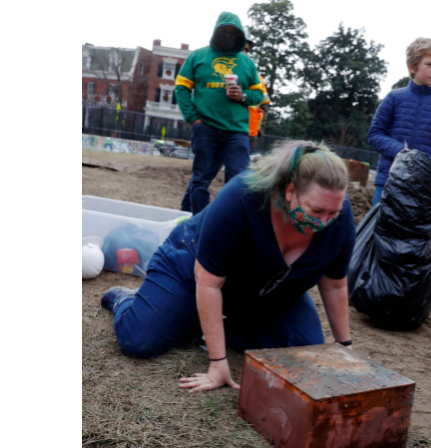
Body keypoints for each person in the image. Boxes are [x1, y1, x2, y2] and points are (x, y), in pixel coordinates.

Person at [100, 141, 356, 394]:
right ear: (290, 191)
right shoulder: (242, 196)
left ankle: (198, 326)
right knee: (140, 340)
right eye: (316, 210)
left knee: (302, 347)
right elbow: (209, 282)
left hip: (264, 290)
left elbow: (334, 284)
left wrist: (344, 348)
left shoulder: (339, 216)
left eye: (332, 214)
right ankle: (126, 299)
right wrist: (218, 364)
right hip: (195, 269)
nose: (324, 223)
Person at [176, 12, 265, 214]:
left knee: (239, 181)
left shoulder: (247, 63)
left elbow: (258, 95)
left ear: (240, 35)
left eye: (233, 32)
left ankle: (227, 223)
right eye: (224, 31)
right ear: (216, 31)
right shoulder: (198, 56)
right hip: (206, 128)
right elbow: (181, 87)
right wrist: (193, 118)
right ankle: (197, 224)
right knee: (201, 180)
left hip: (237, 132)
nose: (228, 35)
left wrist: (242, 96)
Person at [368, 38, 431, 208]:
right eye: (430, 64)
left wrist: (429, 165)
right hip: (389, 179)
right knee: (378, 230)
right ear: (412, 67)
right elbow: (374, 135)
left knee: (413, 233)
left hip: (423, 185)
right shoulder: (394, 98)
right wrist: (402, 152)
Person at [243, 28, 270, 139]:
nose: (244, 52)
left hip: (248, 134)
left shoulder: (258, 78)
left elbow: (265, 106)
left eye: (246, 50)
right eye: (242, 49)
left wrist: (259, 131)